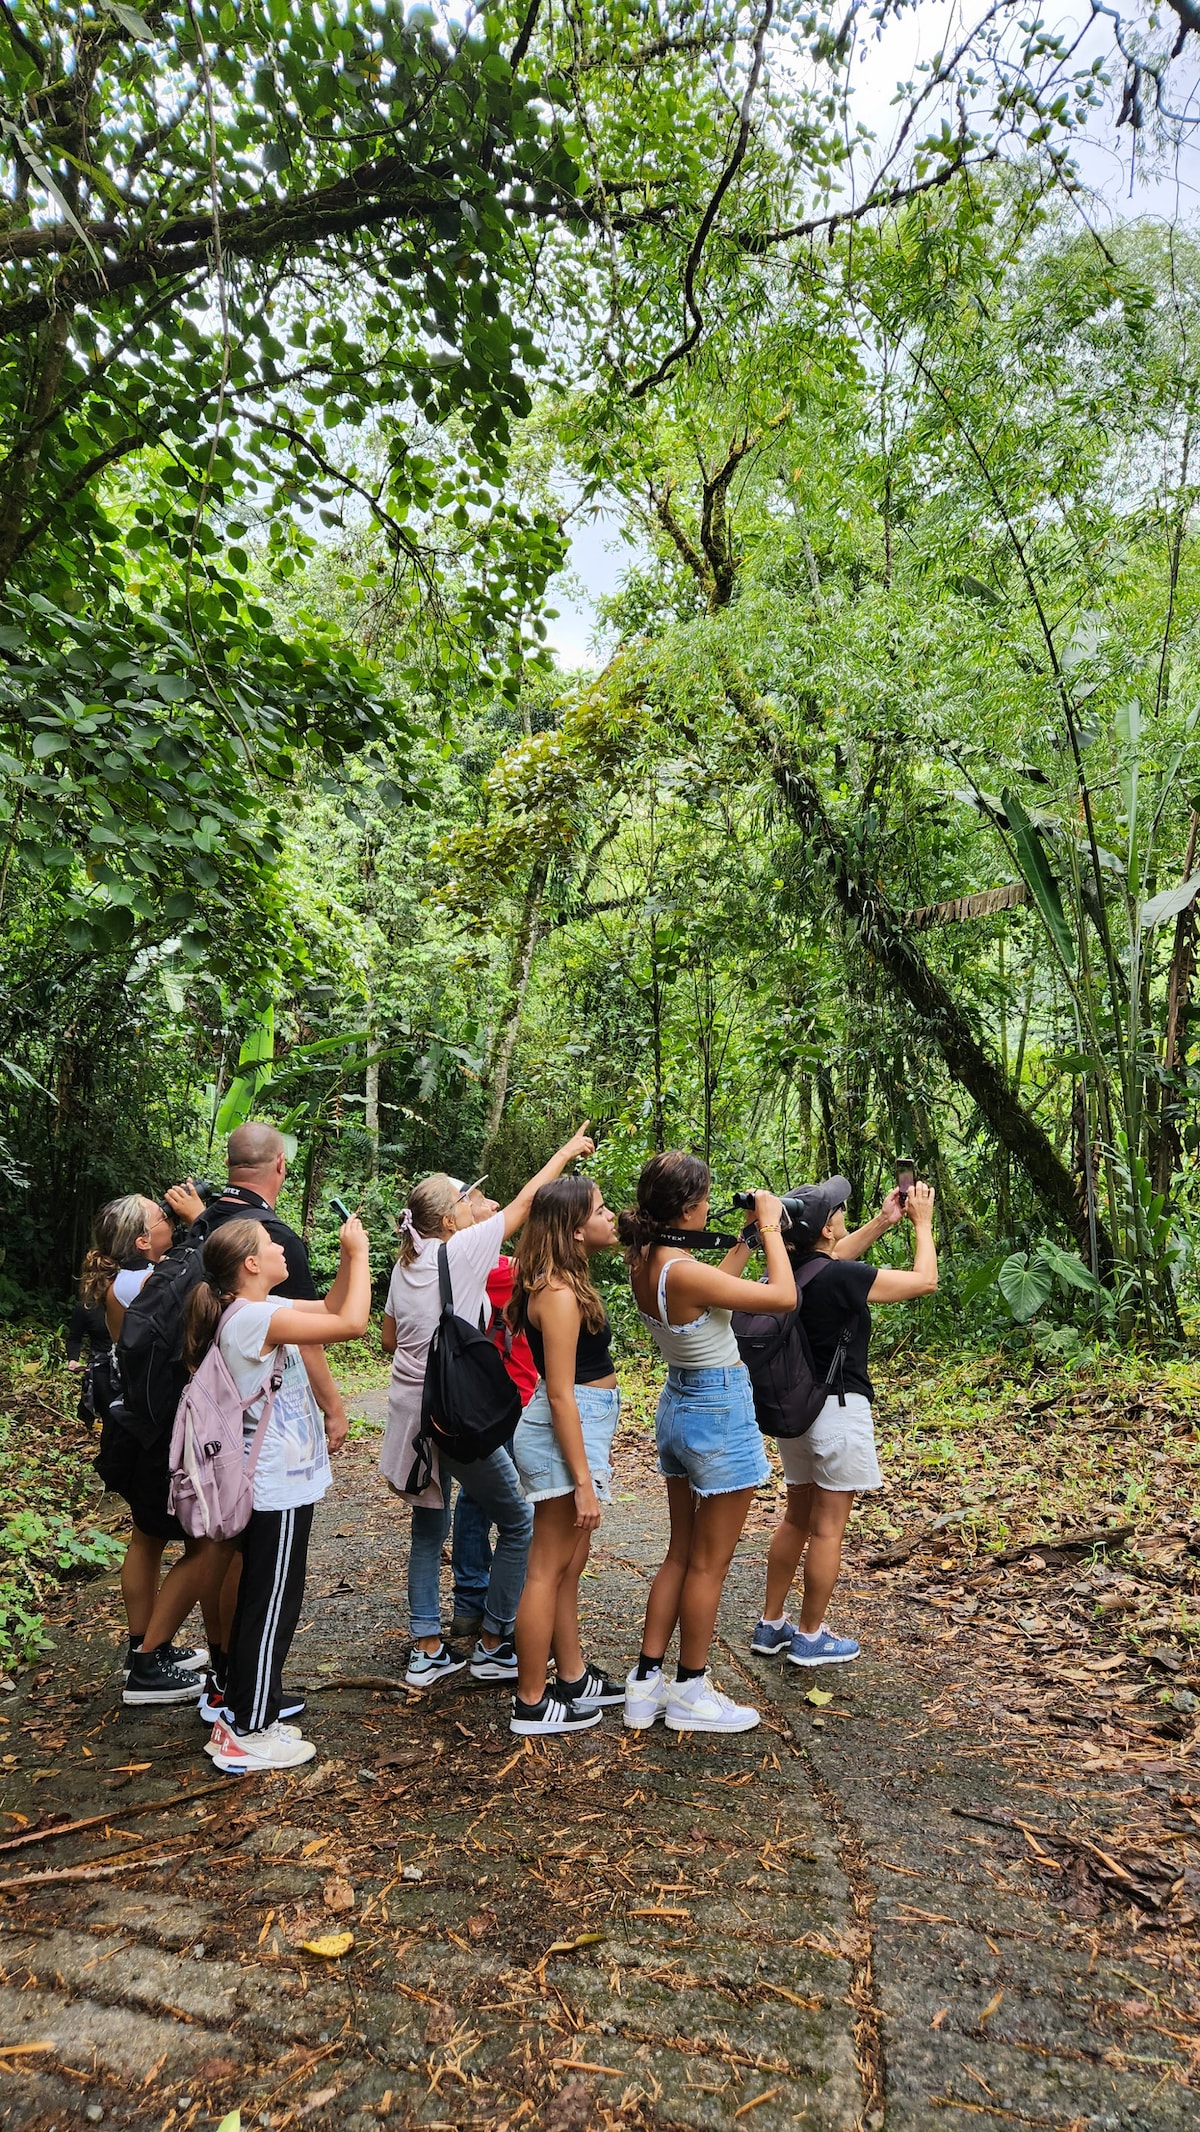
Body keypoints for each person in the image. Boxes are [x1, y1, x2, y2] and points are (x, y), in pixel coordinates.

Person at [122, 1124, 348, 1709]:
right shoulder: (265, 1247)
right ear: (279, 1168)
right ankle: (237, 1695)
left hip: (179, 1423)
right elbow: (320, 1333)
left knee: (209, 1547)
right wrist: (333, 1406)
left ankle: (202, 1671)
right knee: (240, 1559)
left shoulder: (203, 1228)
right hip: (245, 1446)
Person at [379, 1127, 594, 1689]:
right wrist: (566, 1152)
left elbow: (388, 1338)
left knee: (429, 1525)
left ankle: (427, 1644)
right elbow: (527, 1201)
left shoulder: (405, 1264)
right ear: (450, 1219)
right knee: (521, 1523)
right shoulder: (462, 1249)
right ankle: (497, 1641)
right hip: (456, 1415)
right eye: (470, 1198)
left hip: (412, 1412)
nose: (482, 1204)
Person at [184, 1212, 371, 1773]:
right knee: (271, 1604)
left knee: (265, 1598)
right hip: (273, 1488)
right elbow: (353, 1324)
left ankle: (245, 1708)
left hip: (280, 1482)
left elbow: (333, 1308)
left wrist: (345, 1263)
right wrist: (359, 1253)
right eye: (271, 1245)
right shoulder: (251, 1319)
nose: (284, 1251)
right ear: (250, 1263)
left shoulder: (261, 1312)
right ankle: (249, 1728)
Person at [619, 1152, 798, 1735]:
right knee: (708, 1564)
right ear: (692, 1209)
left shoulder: (648, 1260)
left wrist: (745, 1240)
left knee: (679, 1553)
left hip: (678, 1404)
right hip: (717, 1410)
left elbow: (714, 1293)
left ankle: (646, 1684)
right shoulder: (680, 1268)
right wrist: (771, 1227)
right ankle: (692, 1690)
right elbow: (782, 1298)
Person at [751, 1175, 938, 1668]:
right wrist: (922, 1224)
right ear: (827, 1230)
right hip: (838, 1410)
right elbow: (924, 1281)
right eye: (837, 1213)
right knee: (828, 1529)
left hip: (798, 1411)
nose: (842, 1218)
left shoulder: (787, 1272)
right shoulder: (840, 1277)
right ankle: (810, 1636)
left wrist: (881, 1221)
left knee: (796, 1517)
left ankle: (771, 1625)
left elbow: (831, 1259)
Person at [508, 1178, 623, 1736]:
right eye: (601, 1210)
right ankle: (531, 1701)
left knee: (567, 1568)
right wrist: (581, 1480)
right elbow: (558, 1392)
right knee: (545, 1571)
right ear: (576, 1229)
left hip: (580, 1428)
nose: (611, 1217)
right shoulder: (555, 1293)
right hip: (560, 1435)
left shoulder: (568, 1281)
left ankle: (571, 1678)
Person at [82, 1193, 209, 1683]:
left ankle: (148, 1645)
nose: (169, 1220)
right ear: (142, 1240)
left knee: (148, 1536)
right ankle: (146, 1664)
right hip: (156, 1430)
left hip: (135, 1421)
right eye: (161, 1219)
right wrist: (201, 1222)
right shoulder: (143, 1282)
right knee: (204, 1545)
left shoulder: (127, 1279)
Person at [450, 1184, 539, 1640]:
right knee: (508, 1503)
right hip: (508, 1398)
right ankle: (500, 1604)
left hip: (490, 1397)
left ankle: (471, 1600)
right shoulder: (500, 1271)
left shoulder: (461, 1268)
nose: (495, 1206)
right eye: (481, 1203)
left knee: (476, 1500)